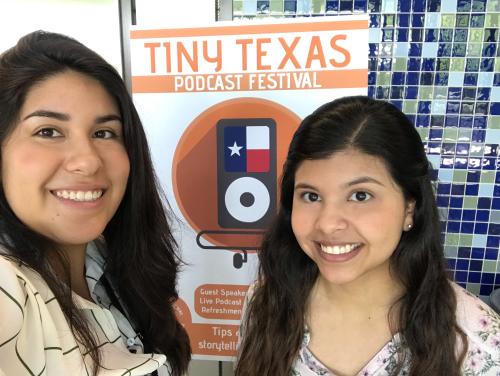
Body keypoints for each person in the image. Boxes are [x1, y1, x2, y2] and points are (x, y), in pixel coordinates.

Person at [235, 96, 500, 375]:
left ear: (409, 208)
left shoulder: (476, 343)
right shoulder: (266, 303)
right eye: (311, 196)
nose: (327, 224)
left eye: (360, 196)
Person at [0, 31, 191, 376]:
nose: (87, 161)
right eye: (48, 131)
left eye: (104, 133)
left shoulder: (113, 264)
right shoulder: (8, 288)